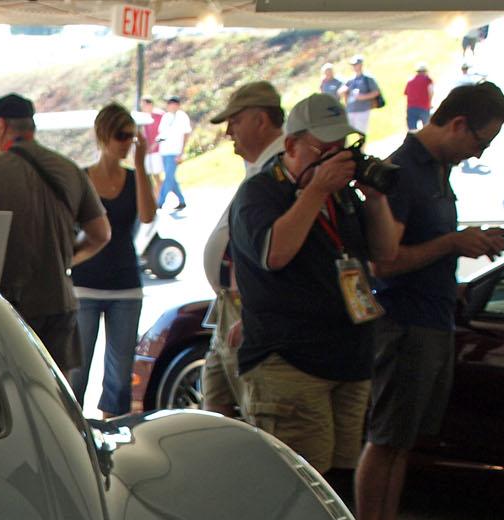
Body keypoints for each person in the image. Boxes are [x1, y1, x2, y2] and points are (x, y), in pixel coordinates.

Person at [357, 82, 504, 520]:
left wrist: (467, 244)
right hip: (402, 321)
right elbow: (384, 262)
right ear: (458, 124)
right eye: (481, 141)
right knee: (385, 437)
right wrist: (452, 243)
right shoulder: (400, 172)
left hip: (432, 318)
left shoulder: (438, 171)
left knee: (404, 439)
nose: (480, 153)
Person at [227, 93, 400, 488]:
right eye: (325, 150)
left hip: (349, 358)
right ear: (291, 146)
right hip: (291, 360)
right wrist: (316, 191)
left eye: (344, 148)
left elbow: (386, 253)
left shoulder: (342, 195)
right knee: (301, 488)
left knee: (337, 485)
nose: (336, 159)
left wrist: (376, 198)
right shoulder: (260, 193)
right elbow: (275, 254)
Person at [0, 94, 110, 378]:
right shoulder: (69, 169)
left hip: (8, 308)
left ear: (1, 126)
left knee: (11, 392)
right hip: (59, 304)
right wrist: (65, 259)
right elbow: (101, 233)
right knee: (55, 394)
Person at [199, 82, 287, 419]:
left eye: (234, 122)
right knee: (216, 399)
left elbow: (274, 251)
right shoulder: (262, 168)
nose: (228, 132)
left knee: (254, 406)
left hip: (248, 306)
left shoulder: (278, 171)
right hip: (231, 305)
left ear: (260, 121)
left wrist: (252, 307)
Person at [71, 103, 154, 414]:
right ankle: (73, 435)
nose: (127, 142)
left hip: (126, 286)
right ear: (103, 135)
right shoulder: (82, 178)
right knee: (76, 373)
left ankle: (114, 434)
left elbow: (148, 215)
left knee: (120, 378)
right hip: (85, 285)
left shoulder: (134, 178)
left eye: (131, 136)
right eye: (121, 135)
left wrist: (141, 165)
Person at [155, 97, 192, 214]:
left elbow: (186, 134)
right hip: (164, 151)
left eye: (173, 104)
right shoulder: (166, 117)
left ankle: (159, 202)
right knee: (171, 178)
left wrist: (181, 152)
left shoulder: (182, 116)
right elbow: (162, 133)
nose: (170, 106)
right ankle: (181, 200)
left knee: (168, 177)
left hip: (175, 151)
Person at [343, 56, 381, 136]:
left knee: (361, 131)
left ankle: (362, 144)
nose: (354, 67)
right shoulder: (350, 80)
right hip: (350, 110)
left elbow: (376, 92)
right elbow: (343, 91)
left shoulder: (367, 78)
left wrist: (363, 97)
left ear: (360, 65)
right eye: (353, 65)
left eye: (356, 64)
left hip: (362, 109)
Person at [137, 98, 165, 194]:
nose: (143, 108)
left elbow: (163, 133)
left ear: (150, 104)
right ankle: (158, 195)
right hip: (148, 152)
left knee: (158, 174)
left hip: (158, 150)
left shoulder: (159, 115)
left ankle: (159, 195)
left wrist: (155, 144)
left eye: (144, 105)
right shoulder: (143, 118)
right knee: (152, 176)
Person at [405, 65, 434, 132]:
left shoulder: (410, 81)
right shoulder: (428, 80)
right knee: (426, 129)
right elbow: (431, 92)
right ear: (425, 72)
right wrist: (430, 104)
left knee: (412, 130)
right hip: (424, 107)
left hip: (411, 107)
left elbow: (407, 93)